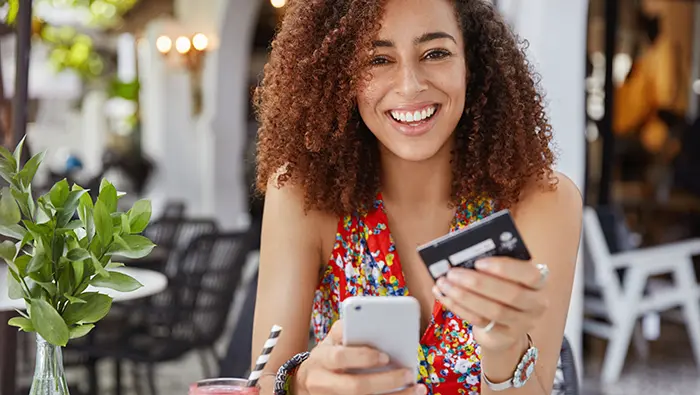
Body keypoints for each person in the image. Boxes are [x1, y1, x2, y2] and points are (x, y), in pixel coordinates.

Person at [251, 1, 582, 394]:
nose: (410, 85)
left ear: (471, 63)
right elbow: (261, 381)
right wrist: (302, 382)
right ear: (340, 74)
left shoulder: (543, 201)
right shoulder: (302, 195)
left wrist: (505, 345)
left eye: (436, 52)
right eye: (377, 59)